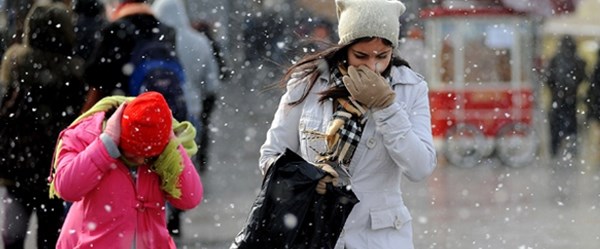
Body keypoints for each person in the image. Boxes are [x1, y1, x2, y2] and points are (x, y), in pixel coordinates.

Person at [258, 0, 437, 248]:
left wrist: (386, 107)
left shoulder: (410, 88)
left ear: (392, 51)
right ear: (344, 48)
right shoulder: (308, 83)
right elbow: (270, 155)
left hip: (379, 236)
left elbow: (420, 167)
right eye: (361, 55)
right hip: (313, 231)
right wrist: (308, 178)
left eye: (382, 56)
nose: (372, 65)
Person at [49, 91, 203, 248]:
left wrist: (171, 145)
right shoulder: (84, 135)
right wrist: (105, 146)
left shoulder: (165, 149)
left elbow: (190, 198)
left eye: (148, 156)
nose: (141, 160)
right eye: (134, 153)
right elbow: (66, 188)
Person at [0, 2, 86, 248]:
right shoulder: (74, 72)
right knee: (51, 237)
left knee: (12, 237)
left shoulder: (14, 65)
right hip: (54, 166)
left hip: (17, 164)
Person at [152, 0, 221, 237]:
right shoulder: (199, 41)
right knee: (181, 165)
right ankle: (176, 217)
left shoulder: (151, 43)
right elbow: (212, 82)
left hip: (154, 113)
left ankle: (158, 215)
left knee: (154, 168)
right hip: (189, 113)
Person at [80, 0, 177, 112]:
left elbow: (97, 78)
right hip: (159, 113)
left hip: (124, 113)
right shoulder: (165, 30)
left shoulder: (116, 29)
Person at [546, 35, 586, 159]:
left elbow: (548, 79)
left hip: (557, 98)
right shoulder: (578, 60)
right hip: (571, 98)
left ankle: (554, 148)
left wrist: (555, 90)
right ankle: (571, 148)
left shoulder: (555, 59)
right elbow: (583, 77)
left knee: (556, 124)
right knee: (571, 123)